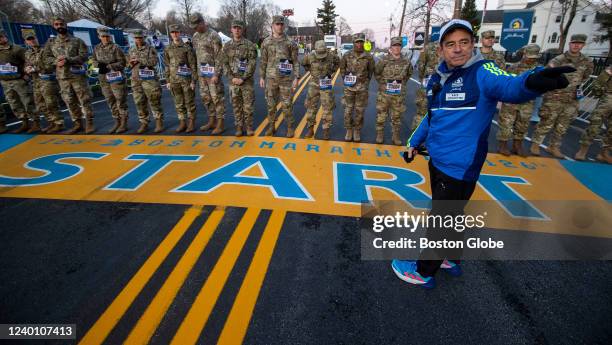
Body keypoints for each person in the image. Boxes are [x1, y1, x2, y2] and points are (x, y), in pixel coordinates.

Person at [390, 19, 573, 288]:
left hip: (459, 166)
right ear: (441, 49)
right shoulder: (438, 78)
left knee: (441, 220)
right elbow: (432, 117)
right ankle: (449, 257)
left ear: (472, 44)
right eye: (450, 44)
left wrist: (534, 80)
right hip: (439, 161)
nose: (457, 49)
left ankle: (423, 271)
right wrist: (413, 142)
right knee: (453, 213)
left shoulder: (482, 72)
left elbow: (510, 87)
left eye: (464, 42)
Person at [530, 34, 593, 158]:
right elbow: (547, 73)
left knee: (563, 125)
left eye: (579, 43)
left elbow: (585, 76)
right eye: (574, 43)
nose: (576, 45)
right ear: (569, 44)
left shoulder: (587, 61)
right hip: (555, 96)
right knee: (546, 122)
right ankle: (535, 144)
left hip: (571, 98)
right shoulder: (558, 60)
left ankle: (554, 147)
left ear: (583, 45)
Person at [43, 17, 94, 134]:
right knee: (69, 101)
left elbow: (84, 56)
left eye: (61, 24)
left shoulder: (77, 41)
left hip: (77, 76)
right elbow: (46, 58)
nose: (59, 26)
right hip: (62, 77)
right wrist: (56, 61)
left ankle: (89, 122)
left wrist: (69, 59)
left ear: (66, 25)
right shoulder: (51, 43)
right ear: (54, 26)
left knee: (84, 100)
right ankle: (77, 123)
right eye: (56, 24)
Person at [496, 44, 542, 157]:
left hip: (528, 101)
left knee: (523, 123)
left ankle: (517, 145)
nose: (531, 59)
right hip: (511, 100)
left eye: (533, 57)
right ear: (524, 54)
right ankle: (503, 145)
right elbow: (506, 83)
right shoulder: (514, 67)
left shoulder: (539, 70)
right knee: (506, 123)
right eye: (529, 56)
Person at [259, 15, 300, 137]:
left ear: (284, 26)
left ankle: (289, 127)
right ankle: (271, 127)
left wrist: (296, 77)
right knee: (271, 105)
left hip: (286, 80)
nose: (280, 26)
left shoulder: (290, 43)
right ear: (272, 26)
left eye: (282, 24)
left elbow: (295, 61)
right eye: (277, 24)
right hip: (271, 79)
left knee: (287, 105)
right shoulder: (266, 42)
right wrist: (262, 77)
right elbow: (263, 61)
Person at [220, 20, 258, 136]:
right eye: (234, 27)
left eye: (239, 28)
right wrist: (232, 78)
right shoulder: (226, 46)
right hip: (233, 82)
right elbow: (224, 64)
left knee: (248, 106)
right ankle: (239, 127)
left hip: (246, 82)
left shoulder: (249, 45)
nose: (237, 30)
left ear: (242, 29)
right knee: (236, 106)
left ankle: (249, 127)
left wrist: (243, 78)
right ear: (231, 29)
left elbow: (252, 64)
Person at [191, 13, 226, 134]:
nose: (195, 28)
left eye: (197, 25)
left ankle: (220, 124)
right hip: (202, 74)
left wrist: (216, 74)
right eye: (194, 26)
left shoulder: (214, 36)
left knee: (217, 98)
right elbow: (197, 56)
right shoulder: (195, 36)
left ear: (202, 22)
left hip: (212, 74)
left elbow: (219, 57)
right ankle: (212, 121)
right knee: (206, 98)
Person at [374, 37, 413, 145]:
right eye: (394, 45)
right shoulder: (384, 60)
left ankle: (395, 136)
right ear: (391, 47)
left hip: (398, 95)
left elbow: (409, 74)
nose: (396, 48)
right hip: (384, 95)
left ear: (401, 47)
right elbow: (377, 72)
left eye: (398, 45)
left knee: (397, 117)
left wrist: (402, 84)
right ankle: (380, 134)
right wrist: (382, 84)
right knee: (381, 116)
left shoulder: (406, 62)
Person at [128, 29, 165, 134]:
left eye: (140, 38)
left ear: (143, 38)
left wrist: (140, 60)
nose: (138, 40)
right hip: (136, 79)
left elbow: (154, 62)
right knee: (139, 102)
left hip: (149, 79)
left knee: (154, 100)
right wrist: (130, 63)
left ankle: (159, 122)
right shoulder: (131, 50)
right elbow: (128, 64)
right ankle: (144, 122)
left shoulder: (150, 49)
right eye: (136, 38)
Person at [339, 32, 375, 142]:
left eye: (361, 42)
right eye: (357, 42)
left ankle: (357, 130)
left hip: (362, 89)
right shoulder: (347, 55)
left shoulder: (368, 57)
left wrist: (365, 82)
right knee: (348, 110)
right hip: (349, 88)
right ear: (353, 43)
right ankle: (349, 129)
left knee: (360, 111)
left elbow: (371, 71)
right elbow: (342, 69)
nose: (359, 44)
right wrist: (347, 80)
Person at [92, 27, 129, 134]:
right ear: (99, 37)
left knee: (120, 100)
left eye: (107, 36)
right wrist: (98, 67)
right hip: (103, 78)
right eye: (103, 36)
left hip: (116, 78)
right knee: (110, 100)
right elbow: (93, 60)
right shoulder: (96, 48)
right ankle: (116, 121)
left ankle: (123, 123)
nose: (106, 38)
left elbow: (123, 63)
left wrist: (109, 66)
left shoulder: (116, 47)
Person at [301, 40, 340, 140]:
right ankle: (310, 129)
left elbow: (337, 62)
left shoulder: (331, 56)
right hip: (314, 84)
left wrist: (331, 71)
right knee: (311, 108)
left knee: (327, 108)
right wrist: (311, 71)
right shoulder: (310, 56)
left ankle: (326, 130)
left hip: (326, 84)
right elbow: (304, 63)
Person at [0, 29, 36, 134]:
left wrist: (26, 74)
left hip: (18, 80)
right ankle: (24, 122)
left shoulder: (17, 49)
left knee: (27, 102)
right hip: (5, 81)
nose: (0, 39)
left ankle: (36, 122)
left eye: (1, 37)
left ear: (5, 37)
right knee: (14, 103)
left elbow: (28, 61)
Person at [163, 24, 197, 133]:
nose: (175, 34)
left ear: (180, 33)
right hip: (174, 80)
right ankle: (182, 122)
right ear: (170, 34)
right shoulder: (168, 48)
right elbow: (167, 65)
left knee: (189, 102)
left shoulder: (187, 48)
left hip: (186, 80)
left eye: (176, 32)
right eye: (172, 32)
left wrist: (193, 80)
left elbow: (193, 65)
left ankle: (191, 122)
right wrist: (167, 80)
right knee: (178, 103)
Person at [575, 65, 611, 163]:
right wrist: (604, 92)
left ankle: (604, 153)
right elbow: (596, 86)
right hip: (607, 102)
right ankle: (582, 151)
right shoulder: (609, 70)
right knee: (594, 126)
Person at [413, 42, 439, 132]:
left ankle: (417, 140)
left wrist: (422, 78)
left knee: (422, 111)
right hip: (436, 82)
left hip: (428, 81)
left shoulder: (429, 46)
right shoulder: (452, 46)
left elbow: (421, 65)